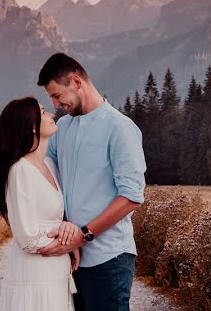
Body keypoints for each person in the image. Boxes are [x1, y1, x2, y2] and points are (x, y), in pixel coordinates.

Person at [36, 52, 147, 311]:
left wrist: (83, 235)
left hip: (109, 259)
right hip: (70, 259)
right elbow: (48, 178)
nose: (55, 103)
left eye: (56, 95)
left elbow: (131, 197)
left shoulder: (120, 128)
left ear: (76, 82)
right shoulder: (61, 129)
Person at [0, 96, 81, 311]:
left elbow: (50, 216)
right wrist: (68, 237)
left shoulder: (49, 165)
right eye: (42, 111)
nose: (50, 114)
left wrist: (71, 241)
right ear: (32, 127)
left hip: (55, 272)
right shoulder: (20, 170)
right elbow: (28, 237)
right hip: (34, 276)